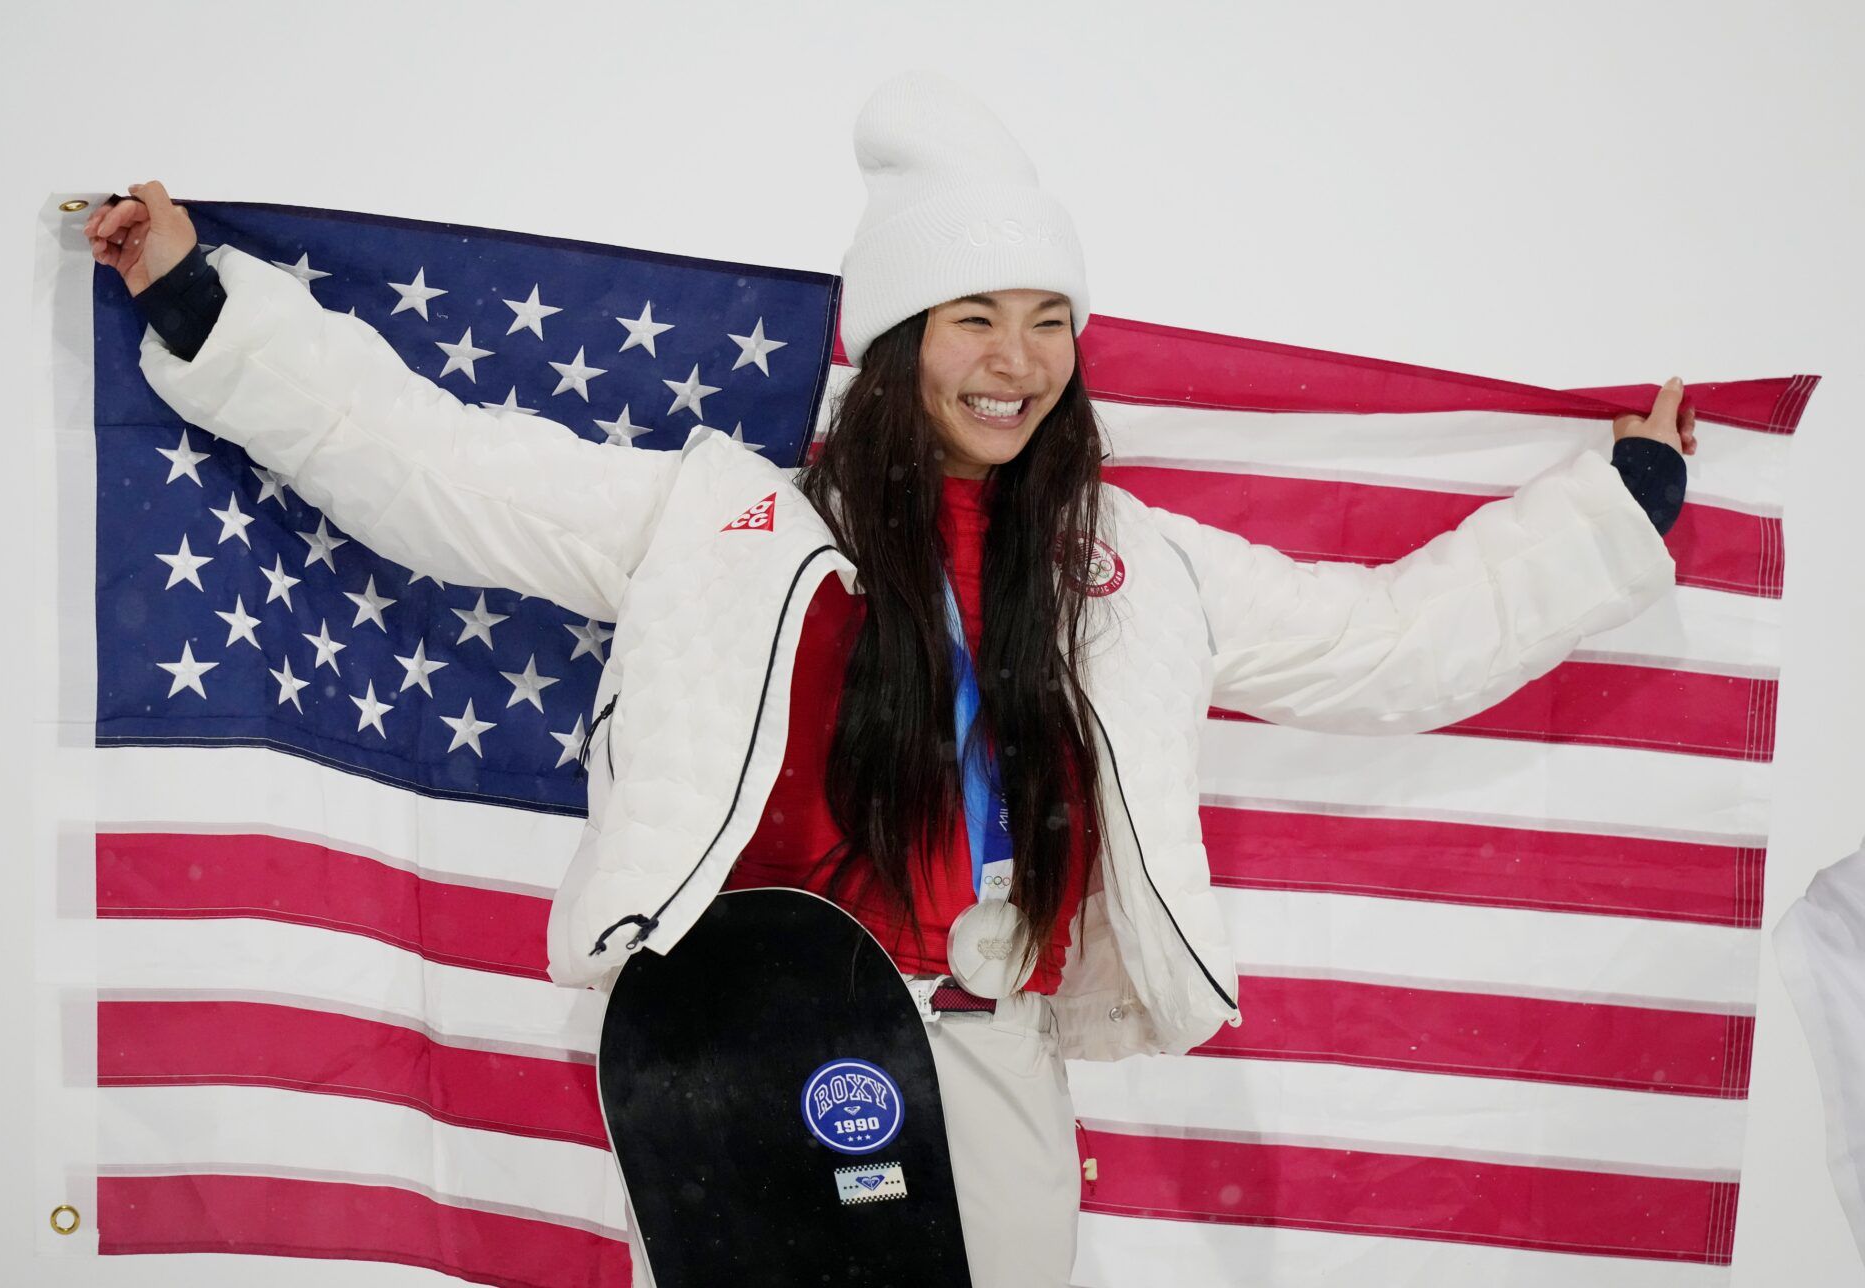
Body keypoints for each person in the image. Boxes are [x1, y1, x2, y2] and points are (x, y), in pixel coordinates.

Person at [88, 69, 1694, 1288]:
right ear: (898, 338)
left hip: (987, 1030)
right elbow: (443, 471)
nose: (1017, 359)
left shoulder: (1124, 568)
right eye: (976, 318)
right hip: (746, 1036)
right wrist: (205, 306)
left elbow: (1383, 643)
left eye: (1050, 321)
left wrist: (1610, 516)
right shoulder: (733, 522)